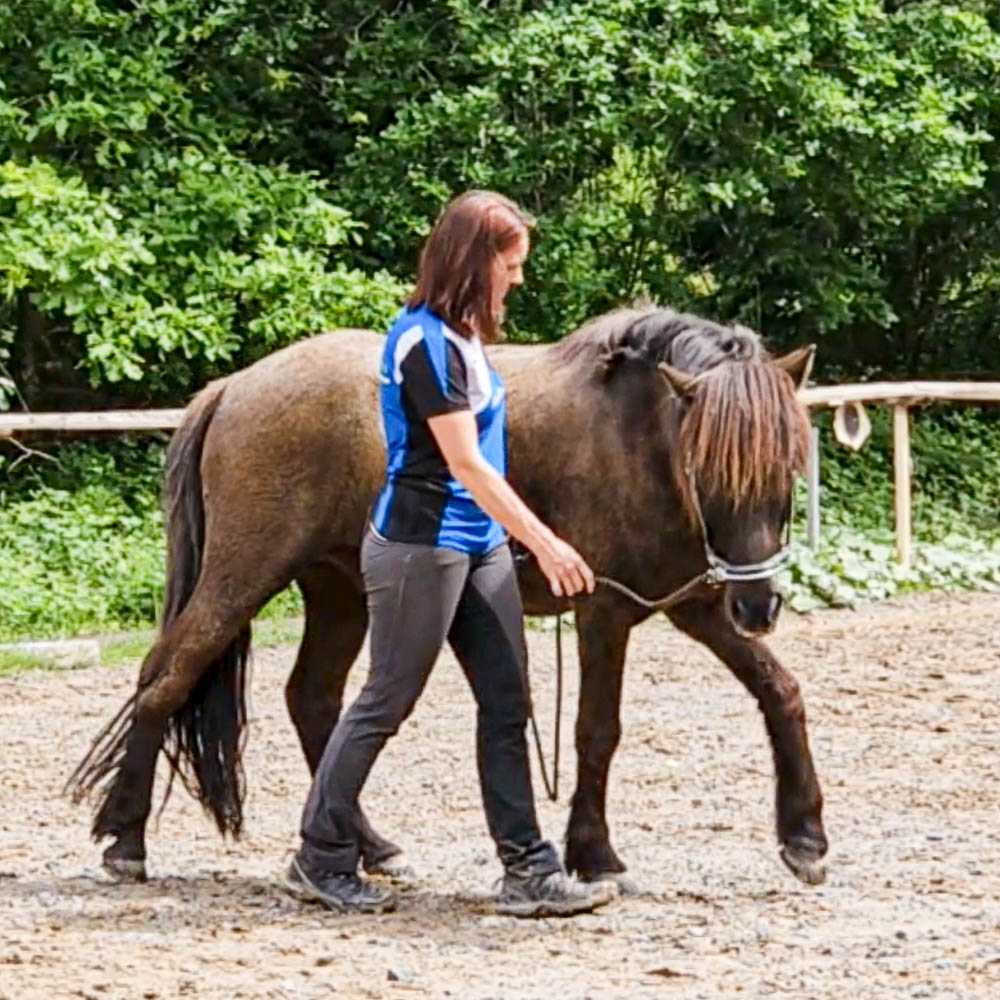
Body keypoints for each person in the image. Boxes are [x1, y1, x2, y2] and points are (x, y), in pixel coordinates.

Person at [285, 190, 616, 918]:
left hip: (477, 546)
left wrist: (509, 540)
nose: (519, 279)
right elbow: (466, 463)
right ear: (476, 262)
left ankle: (529, 869)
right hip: (419, 547)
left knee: (507, 702)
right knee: (385, 701)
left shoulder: (465, 339)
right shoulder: (424, 345)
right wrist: (547, 541)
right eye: (512, 264)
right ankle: (319, 854)